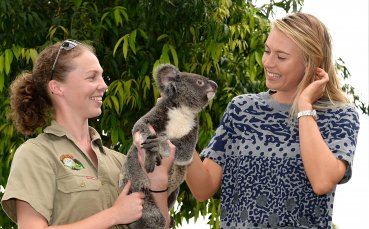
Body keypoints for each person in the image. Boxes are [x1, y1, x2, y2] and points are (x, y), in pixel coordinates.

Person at [185, 12, 360, 228]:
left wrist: (305, 106)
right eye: (267, 51)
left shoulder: (340, 115)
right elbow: (203, 188)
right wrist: (179, 129)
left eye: (281, 56)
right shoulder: (242, 110)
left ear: (311, 62)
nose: (268, 62)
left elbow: (322, 181)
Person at [1, 39, 175, 229]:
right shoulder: (36, 154)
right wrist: (114, 215)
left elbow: (158, 225)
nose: (104, 85)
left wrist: (159, 177)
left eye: (101, 76)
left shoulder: (121, 161)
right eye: (91, 77)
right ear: (57, 87)